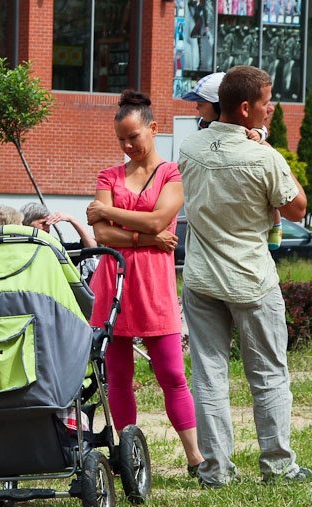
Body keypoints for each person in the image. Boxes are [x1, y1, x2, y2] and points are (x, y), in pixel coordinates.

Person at [177, 65, 311, 488]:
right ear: (246, 107)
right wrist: (272, 153)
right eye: (267, 102)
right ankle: (277, 466)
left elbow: (213, 145)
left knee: (209, 375)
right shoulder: (264, 157)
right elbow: (297, 209)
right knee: (268, 374)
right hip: (252, 281)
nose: (272, 108)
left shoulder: (189, 147)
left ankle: (215, 470)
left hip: (200, 280)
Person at [85, 90, 205, 478]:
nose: (127, 145)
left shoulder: (171, 173)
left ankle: (195, 459)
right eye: (121, 139)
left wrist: (111, 212)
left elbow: (159, 220)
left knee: (172, 375)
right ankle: (127, 456)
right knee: (119, 378)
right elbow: (104, 235)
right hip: (114, 283)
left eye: (134, 136)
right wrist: (148, 238)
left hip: (154, 287)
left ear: (153, 129)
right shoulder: (108, 175)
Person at [183, 71, 282, 249]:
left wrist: (259, 138)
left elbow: (296, 207)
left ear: (219, 105)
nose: (197, 109)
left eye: (200, 104)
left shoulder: (255, 138)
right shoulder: (201, 131)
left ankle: (276, 225)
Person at [20, 202, 96, 250]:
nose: (47, 229)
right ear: (26, 224)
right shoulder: (15, 243)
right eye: (42, 224)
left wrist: (72, 219)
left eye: (49, 224)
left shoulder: (53, 245)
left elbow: (91, 248)